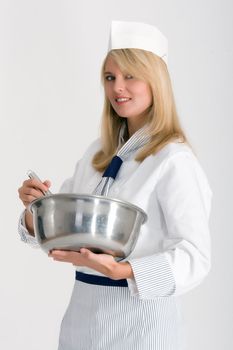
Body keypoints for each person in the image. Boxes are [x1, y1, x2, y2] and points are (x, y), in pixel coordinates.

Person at [18, 20, 212, 350]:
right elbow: (67, 225)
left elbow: (195, 257)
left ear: (156, 80)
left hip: (143, 325)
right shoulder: (97, 153)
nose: (117, 88)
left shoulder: (173, 159)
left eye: (130, 76)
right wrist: (34, 211)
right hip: (82, 320)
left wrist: (124, 270)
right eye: (110, 77)